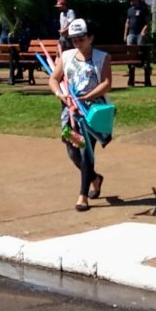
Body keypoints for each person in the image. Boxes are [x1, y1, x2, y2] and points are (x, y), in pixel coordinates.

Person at [48, 18, 112, 212]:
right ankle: (94, 178)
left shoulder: (102, 57)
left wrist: (87, 97)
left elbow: (106, 83)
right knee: (73, 151)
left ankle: (83, 195)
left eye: (81, 39)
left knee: (86, 151)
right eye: (74, 40)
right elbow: (54, 78)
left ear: (91, 38)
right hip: (70, 111)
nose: (77, 43)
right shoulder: (66, 56)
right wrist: (60, 94)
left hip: (92, 111)